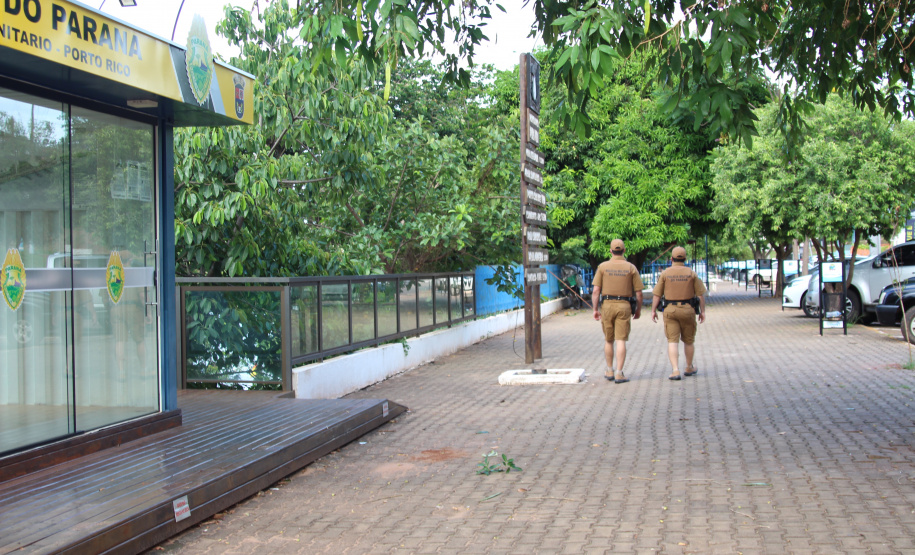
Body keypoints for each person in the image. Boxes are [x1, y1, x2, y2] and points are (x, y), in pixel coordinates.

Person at [651, 246, 707, 380]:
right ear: (685, 259)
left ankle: (675, 370)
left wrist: (653, 310)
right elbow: (700, 295)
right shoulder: (691, 273)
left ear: (671, 259)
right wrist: (702, 311)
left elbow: (657, 295)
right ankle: (688, 367)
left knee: (672, 341)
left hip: (670, 310)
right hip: (688, 310)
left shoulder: (665, 273)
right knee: (688, 340)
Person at [591, 239, 644, 383]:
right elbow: (639, 293)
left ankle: (609, 370)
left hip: (607, 305)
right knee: (621, 340)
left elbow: (596, 291)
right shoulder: (631, 267)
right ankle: (619, 373)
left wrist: (595, 309)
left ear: (610, 251)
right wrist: (638, 310)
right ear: (624, 251)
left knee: (609, 340)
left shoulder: (602, 267)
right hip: (624, 305)